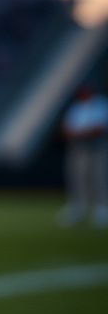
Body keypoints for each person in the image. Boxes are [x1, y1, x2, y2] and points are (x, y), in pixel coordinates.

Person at [59, 85, 108, 227]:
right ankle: (78, 208)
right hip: (78, 148)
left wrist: (80, 133)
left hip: (97, 147)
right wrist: (76, 134)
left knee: (99, 177)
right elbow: (66, 128)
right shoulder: (76, 107)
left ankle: (102, 209)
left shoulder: (101, 105)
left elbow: (100, 128)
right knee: (78, 178)